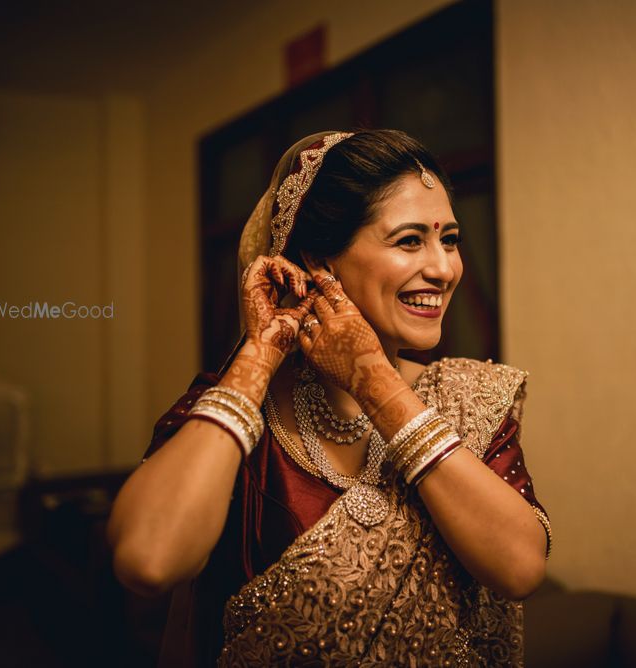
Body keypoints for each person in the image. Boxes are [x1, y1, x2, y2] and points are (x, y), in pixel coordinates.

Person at [106, 129, 551, 666]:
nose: (444, 268)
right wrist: (259, 357)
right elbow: (148, 558)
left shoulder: (471, 398)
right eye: (410, 240)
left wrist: (373, 381)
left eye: (450, 239)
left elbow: (520, 567)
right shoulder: (239, 404)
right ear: (321, 260)